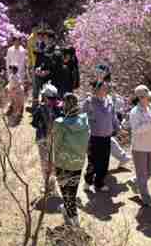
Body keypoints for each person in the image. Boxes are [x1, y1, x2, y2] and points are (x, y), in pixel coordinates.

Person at [53, 93, 90, 227]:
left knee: (65, 192)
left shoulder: (60, 124)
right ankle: (68, 211)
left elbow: (55, 146)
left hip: (63, 163)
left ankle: (74, 219)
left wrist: (53, 163)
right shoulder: (84, 120)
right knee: (72, 191)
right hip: (78, 162)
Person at [82, 80, 120, 192]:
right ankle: (88, 181)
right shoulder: (89, 102)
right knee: (92, 161)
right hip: (94, 136)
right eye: (103, 88)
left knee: (104, 161)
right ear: (96, 89)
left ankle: (99, 182)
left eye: (106, 88)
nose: (105, 90)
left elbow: (113, 117)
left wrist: (117, 128)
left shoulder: (109, 101)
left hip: (106, 136)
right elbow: (83, 117)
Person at [128, 85, 151, 208]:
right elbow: (136, 130)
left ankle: (134, 182)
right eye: (148, 97)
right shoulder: (134, 112)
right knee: (142, 175)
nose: (150, 99)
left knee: (150, 171)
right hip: (139, 147)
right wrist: (150, 124)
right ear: (141, 98)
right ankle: (146, 199)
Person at [31, 82, 63, 190]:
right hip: (50, 139)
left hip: (48, 139)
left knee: (48, 162)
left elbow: (34, 123)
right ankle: (49, 183)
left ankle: (49, 184)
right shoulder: (58, 108)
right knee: (49, 162)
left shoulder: (46, 108)